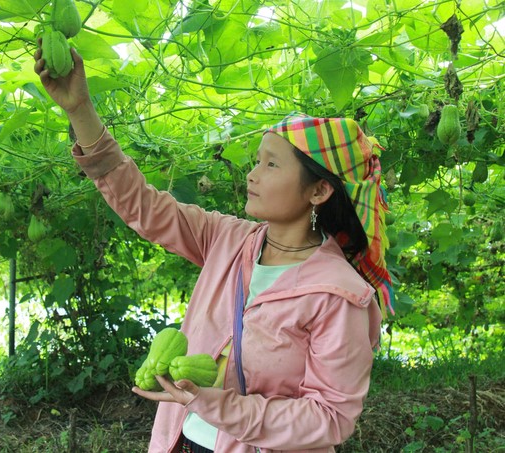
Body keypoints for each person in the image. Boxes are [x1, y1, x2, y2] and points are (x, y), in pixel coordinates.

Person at [34, 45, 393, 453]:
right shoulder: (229, 239)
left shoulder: (340, 294)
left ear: (319, 190)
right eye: (256, 162)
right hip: (180, 442)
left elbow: (329, 418)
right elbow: (142, 205)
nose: (253, 175)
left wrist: (218, 405)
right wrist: (79, 109)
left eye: (271, 165)